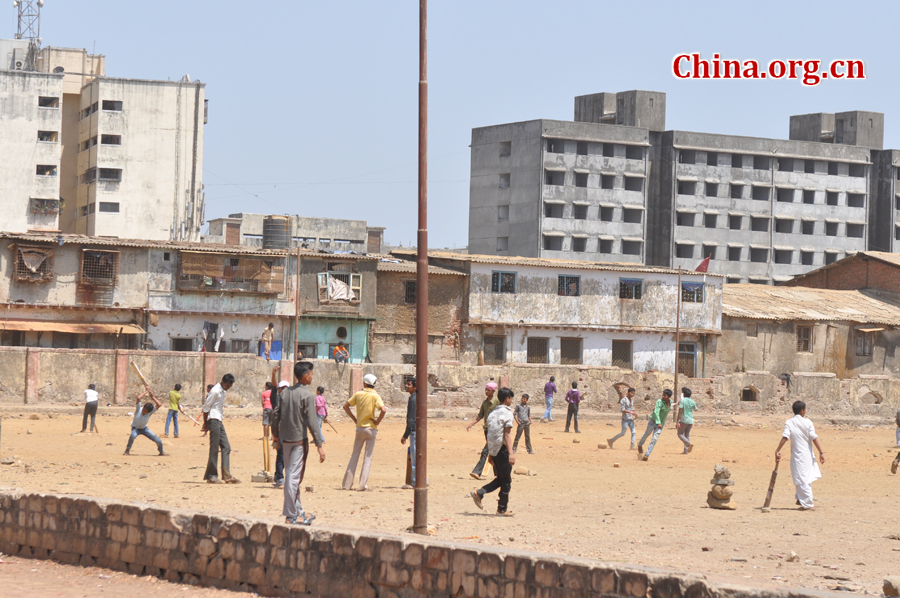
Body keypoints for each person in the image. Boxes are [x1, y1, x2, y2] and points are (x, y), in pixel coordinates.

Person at [272, 361, 325, 525]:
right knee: (293, 478)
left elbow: (275, 414)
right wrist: (319, 445)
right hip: (298, 441)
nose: (312, 376)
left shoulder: (285, 392)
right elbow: (312, 421)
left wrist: (275, 435)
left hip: (285, 439)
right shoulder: (307, 395)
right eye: (311, 374)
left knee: (292, 475)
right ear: (305, 375)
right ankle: (291, 515)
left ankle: (299, 510)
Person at [469, 387, 516, 516]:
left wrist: (491, 453)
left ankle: (480, 493)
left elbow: (490, 435)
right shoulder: (507, 414)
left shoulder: (492, 414)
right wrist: (511, 453)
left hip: (494, 450)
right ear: (507, 399)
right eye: (511, 398)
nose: (511, 401)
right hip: (503, 450)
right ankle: (501, 509)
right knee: (506, 481)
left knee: (501, 478)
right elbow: (507, 435)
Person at [775, 401, 825, 510]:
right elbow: (814, 437)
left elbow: (785, 437)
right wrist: (821, 453)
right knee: (804, 477)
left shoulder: (789, 422)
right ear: (802, 410)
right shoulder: (808, 422)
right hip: (808, 455)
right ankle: (801, 499)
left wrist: (777, 450)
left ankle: (808, 504)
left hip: (798, 455)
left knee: (801, 478)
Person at [341, 374, 387, 491]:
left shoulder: (358, 394)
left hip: (359, 428)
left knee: (354, 455)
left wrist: (354, 419)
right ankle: (362, 485)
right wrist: (377, 422)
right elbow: (383, 410)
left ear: (365, 383)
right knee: (368, 458)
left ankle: (347, 484)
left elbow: (345, 406)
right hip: (371, 429)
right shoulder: (375, 396)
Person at [201, 374, 240, 484]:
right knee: (214, 448)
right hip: (213, 420)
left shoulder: (222, 391)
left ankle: (226, 475)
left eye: (229, 386)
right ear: (222, 382)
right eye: (227, 385)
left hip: (218, 420)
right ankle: (211, 476)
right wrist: (205, 423)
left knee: (226, 447)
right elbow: (206, 407)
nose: (228, 388)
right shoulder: (215, 391)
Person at [465, 382, 499, 480]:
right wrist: (471, 424)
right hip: (487, 429)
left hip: (494, 430)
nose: (486, 391)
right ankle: (498, 474)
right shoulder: (484, 403)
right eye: (486, 389)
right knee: (493, 452)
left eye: (488, 390)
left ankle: (477, 472)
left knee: (485, 451)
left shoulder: (496, 402)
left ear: (493, 391)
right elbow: (480, 415)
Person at [124, 390, 166, 456]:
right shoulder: (138, 409)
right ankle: (127, 450)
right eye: (143, 409)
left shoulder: (150, 412)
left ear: (149, 412)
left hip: (144, 429)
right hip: (136, 428)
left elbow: (159, 404)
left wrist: (152, 397)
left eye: (145, 411)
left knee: (158, 441)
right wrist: (146, 391)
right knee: (133, 436)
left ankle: (161, 452)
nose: (143, 411)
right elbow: (138, 398)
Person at [638, 389, 672, 461]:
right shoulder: (659, 401)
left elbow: (672, 404)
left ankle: (647, 455)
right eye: (663, 394)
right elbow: (656, 412)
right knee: (647, 434)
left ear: (669, 397)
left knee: (654, 439)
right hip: (653, 422)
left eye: (665, 395)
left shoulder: (670, 403)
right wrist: (658, 422)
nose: (663, 396)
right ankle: (640, 444)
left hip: (660, 425)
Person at [400, 377, 417, 489]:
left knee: (415, 457)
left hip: (414, 431)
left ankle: (415, 482)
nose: (406, 386)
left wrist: (405, 435)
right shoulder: (417, 397)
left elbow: (411, 419)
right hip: (419, 431)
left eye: (409, 384)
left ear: (415, 387)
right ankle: (423, 479)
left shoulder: (413, 399)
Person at [676, 387, 696, 454]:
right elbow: (695, 408)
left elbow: (680, 411)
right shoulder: (693, 401)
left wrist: (677, 421)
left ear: (684, 394)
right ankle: (686, 450)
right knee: (687, 434)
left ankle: (688, 444)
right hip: (690, 420)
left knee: (680, 433)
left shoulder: (683, 401)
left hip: (684, 420)